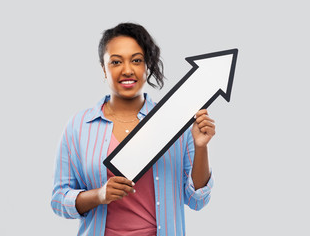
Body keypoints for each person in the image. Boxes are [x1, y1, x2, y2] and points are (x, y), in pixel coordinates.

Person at [51, 22, 215, 236]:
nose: (127, 70)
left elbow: (197, 200)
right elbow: (58, 200)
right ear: (104, 68)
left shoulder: (175, 123)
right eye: (116, 62)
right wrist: (98, 195)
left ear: (147, 65)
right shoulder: (79, 126)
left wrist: (201, 147)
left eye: (136, 60)